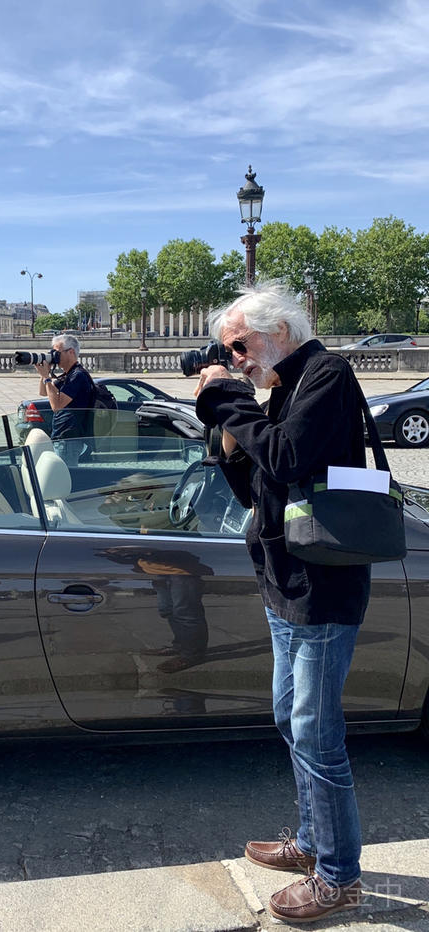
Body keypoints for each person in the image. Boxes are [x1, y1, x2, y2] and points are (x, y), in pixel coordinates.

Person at [193, 282, 368, 923]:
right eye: (230, 352)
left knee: (318, 735)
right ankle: (313, 842)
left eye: (240, 346)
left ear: (281, 331)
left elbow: (290, 456)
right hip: (284, 585)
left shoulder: (326, 374)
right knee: (291, 721)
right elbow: (258, 491)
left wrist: (229, 399)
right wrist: (226, 432)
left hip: (323, 588)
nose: (235, 360)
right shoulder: (280, 391)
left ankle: (339, 878)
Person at [34, 333, 95, 467]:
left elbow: (56, 406)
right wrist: (44, 375)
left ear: (71, 352)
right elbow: (43, 392)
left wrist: (47, 378)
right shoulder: (69, 375)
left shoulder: (78, 375)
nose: (54, 357)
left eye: (57, 353)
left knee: (65, 475)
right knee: (63, 474)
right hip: (63, 436)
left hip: (69, 438)